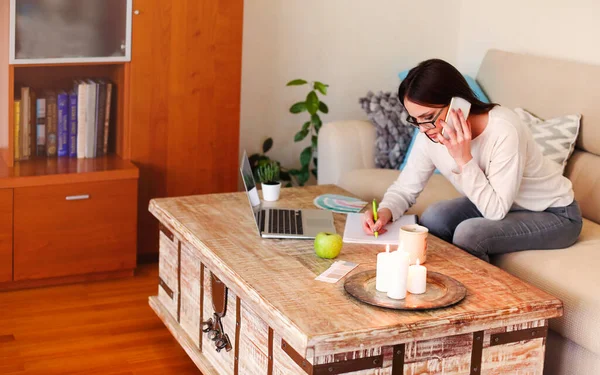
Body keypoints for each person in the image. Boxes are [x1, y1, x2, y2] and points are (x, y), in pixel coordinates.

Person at [362, 59, 582, 262]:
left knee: (470, 234)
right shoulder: (428, 134)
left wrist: (463, 158)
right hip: (505, 204)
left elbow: (495, 211)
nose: (423, 129)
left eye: (428, 118)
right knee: (434, 216)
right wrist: (385, 212)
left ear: (459, 103)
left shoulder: (504, 129)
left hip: (555, 214)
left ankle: (478, 299)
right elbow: (405, 188)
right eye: (415, 120)